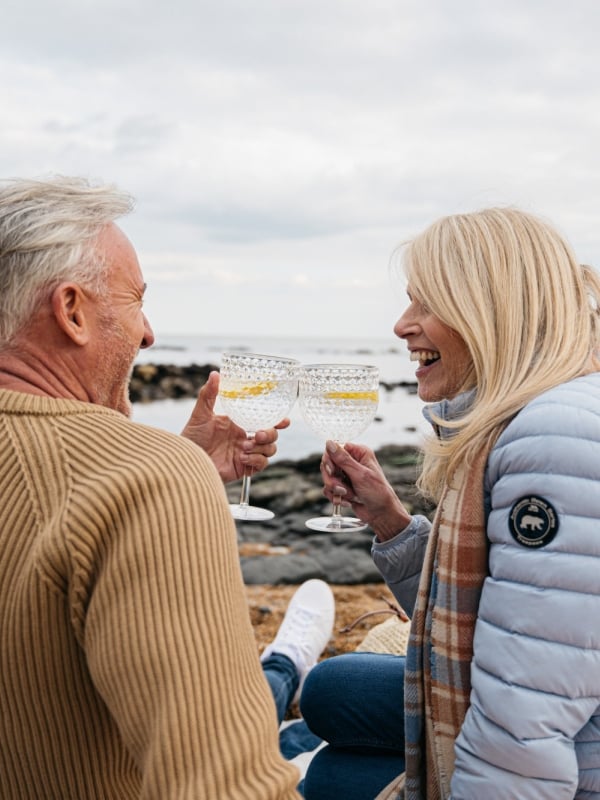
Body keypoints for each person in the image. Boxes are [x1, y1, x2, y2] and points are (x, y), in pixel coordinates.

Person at [0, 174, 307, 799]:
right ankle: (286, 666)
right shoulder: (149, 479)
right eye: (136, 299)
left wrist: (181, 464)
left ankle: (285, 666)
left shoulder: (141, 475)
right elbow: (224, 788)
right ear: (72, 311)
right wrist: (166, 475)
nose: (148, 335)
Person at [299, 207, 600, 799]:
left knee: (329, 774)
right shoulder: (539, 415)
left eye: (425, 304)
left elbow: (524, 731)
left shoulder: (554, 441)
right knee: (332, 693)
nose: (401, 325)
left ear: (488, 313)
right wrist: (390, 522)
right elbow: (497, 618)